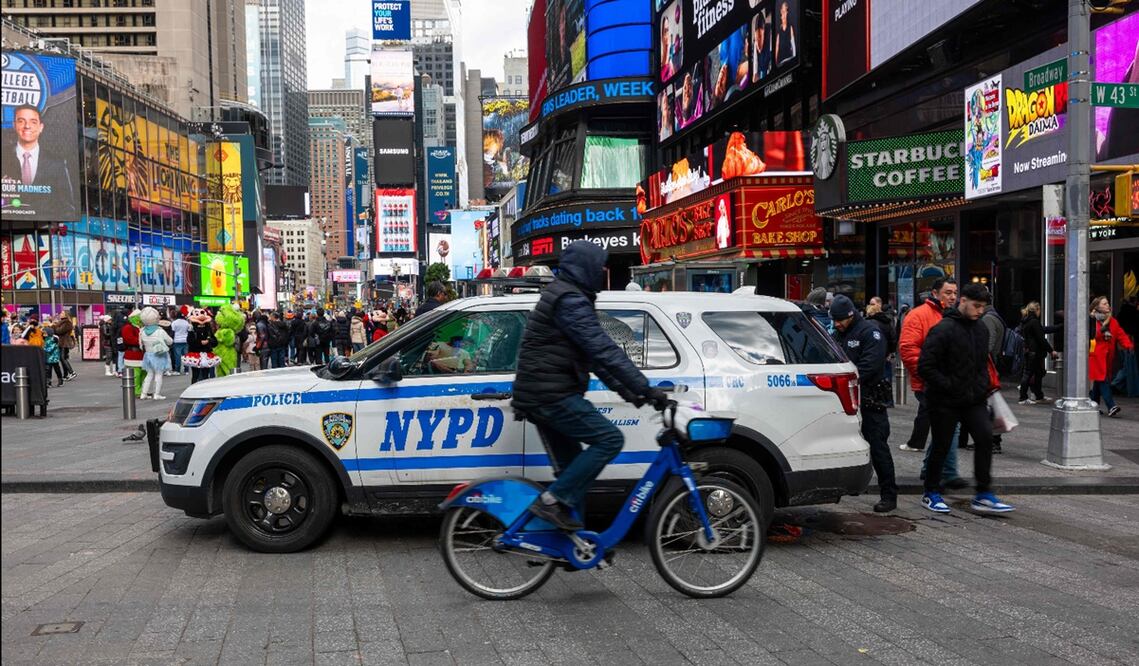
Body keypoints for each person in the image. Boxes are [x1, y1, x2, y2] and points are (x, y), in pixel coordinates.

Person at [511, 241, 669, 530]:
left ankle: (570, 544)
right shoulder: (570, 301)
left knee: (573, 475)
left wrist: (634, 393)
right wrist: (645, 387)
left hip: (544, 392)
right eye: (600, 266)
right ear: (586, 268)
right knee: (609, 440)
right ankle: (552, 502)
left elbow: (592, 359)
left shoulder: (570, 296)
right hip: (550, 395)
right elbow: (602, 349)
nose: (604, 271)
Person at [918, 284, 1014, 514]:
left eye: (983, 307)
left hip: (973, 398)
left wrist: (981, 388)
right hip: (945, 400)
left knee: (984, 439)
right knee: (941, 445)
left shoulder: (981, 329)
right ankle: (931, 492)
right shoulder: (943, 329)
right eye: (976, 306)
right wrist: (949, 385)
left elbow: (982, 364)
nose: (980, 311)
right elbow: (925, 366)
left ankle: (983, 493)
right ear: (963, 301)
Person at [831, 295, 897, 513]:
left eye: (840, 319)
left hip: (870, 400)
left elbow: (870, 365)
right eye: (834, 320)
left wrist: (845, 379)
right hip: (845, 399)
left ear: (851, 315)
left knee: (878, 447)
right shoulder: (839, 334)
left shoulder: (870, 332)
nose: (836, 324)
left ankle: (889, 495)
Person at [2, 104, 77, 218]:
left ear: (41, 127)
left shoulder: (57, 163)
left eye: (33, 122)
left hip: (45, 227)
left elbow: (67, 207)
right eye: (21, 121)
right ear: (14, 125)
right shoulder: (3, 155)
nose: (27, 126)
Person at [1089, 295, 1133, 418]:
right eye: (1104, 303)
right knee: (1103, 380)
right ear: (1097, 307)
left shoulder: (1113, 321)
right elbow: (1093, 335)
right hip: (1095, 356)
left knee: (1098, 382)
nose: (1108, 305)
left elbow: (1120, 334)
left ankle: (1093, 405)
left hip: (1107, 356)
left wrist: (1128, 345)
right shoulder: (1092, 320)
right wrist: (1104, 328)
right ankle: (1111, 405)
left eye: (1107, 303)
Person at [1018, 301, 1058, 404]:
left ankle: (1038, 395)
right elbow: (1041, 338)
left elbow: (1042, 331)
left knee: (1037, 373)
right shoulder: (1034, 322)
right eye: (1039, 309)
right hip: (1034, 352)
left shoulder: (1026, 321)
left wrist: (1058, 327)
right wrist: (1051, 350)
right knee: (1029, 374)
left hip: (1030, 351)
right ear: (1036, 310)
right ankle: (1023, 397)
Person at [138, 307, 173, 400]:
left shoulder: (142, 331)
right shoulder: (160, 331)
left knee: (149, 374)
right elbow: (170, 341)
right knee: (158, 374)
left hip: (148, 355)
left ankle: (143, 393)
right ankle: (156, 394)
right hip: (159, 355)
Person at [186, 309, 219, 383]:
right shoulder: (192, 328)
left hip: (207, 353)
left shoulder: (208, 328)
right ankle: (194, 389)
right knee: (196, 374)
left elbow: (215, 341)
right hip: (195, 354)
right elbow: (190, 341)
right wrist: (200, 342)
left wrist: (208, 341)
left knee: (205, 374)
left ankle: (204, 389)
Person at [774, 0, 797, 67]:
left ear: (787, 12)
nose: (784, 13)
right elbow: (777, 49)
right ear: (781, 11)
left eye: (785, 11)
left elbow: (793, 46)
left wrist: (794, 59)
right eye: (782, 11)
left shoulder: (790, 28)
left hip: (789, 59)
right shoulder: (778, 31)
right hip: (781, 62)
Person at [54, 313, 77, 380]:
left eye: (62, 313)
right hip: (62, 342)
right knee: (62, 358)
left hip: (64, 343)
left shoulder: (67, 323)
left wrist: (55, 326)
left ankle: (72, 372)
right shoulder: (61, 322)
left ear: (65, 315)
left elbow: (59, 331)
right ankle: (66, 375)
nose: (60, 314)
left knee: (63, 358)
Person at [170, 309, 192, 376]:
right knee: (185, 356)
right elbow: (189, 331)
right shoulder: (186, 322)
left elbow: (172, 333)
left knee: (177, 356)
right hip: (185, 340)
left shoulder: (174, 323)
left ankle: (177, 370)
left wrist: (171, 341)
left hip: (177, 341)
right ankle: (186, 370)